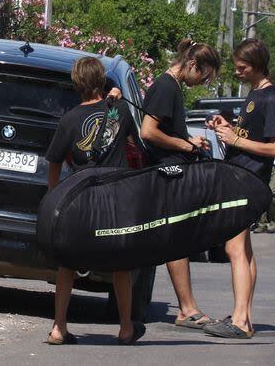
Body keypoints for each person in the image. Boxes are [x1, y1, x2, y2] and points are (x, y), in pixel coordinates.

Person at [44, 57, 145, 346]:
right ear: (103, 82)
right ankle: (126, 327)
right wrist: (116, 99)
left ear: (76, 83)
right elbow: (138, 141)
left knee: (67, 264)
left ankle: (58, 327)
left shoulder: (69, 119)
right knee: (120, 265)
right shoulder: (120, 111)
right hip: (115, 198)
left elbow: (53, 162)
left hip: (80, 199)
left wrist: (55, 195)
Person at [140, 39, 221, 332]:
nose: (203, 82)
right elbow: (148, 131)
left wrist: (188, 142)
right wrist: (186, 145)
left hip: (171, 168)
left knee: (177, 238)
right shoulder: (165, 86)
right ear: (191, 65)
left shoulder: (171, 86)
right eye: (204, 75)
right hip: (166, 171)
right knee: (176, 239)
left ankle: (187, 307)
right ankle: (186, 309)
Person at [205, 39, 275, 339]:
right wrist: (228, 129)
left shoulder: (271, 99)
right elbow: (251, 135)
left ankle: (239, 321)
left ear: (258, 65)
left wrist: (236, 141)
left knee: (234, 248)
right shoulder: (256, 94)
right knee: (244, 251)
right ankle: (245, 316)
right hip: (241, 176)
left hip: (249, 180)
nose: (237, 70)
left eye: (243, 66)